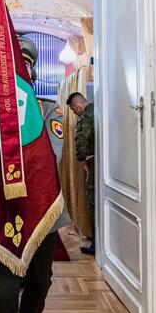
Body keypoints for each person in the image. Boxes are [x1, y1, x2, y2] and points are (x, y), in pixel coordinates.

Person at [0, 36, 66, 313]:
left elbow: (50, 161)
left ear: (32, 70)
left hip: (40, 214)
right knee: (2, 293)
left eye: (24, 64)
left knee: (40, 281)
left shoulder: (48, 109)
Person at [67, 92, 95, 255]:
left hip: (93, 162)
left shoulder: (85, 116)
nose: (74, 113)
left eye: (73, 110)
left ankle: (97, 243)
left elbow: (81, 139)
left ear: (77, 106)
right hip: (101, 160)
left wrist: (82, 159)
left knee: (93, 203)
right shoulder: (97, 110)